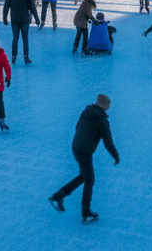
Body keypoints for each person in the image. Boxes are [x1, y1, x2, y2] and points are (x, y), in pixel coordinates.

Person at [49, 94, 119, 224]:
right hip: (85, 152)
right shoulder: (102, 120)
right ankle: (85, 212)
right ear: (106, 106)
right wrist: (116, 156)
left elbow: (77, 127)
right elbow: (108, 141)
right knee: (89, 179)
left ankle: (59, 195)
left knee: (84, 176)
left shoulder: (86, 110)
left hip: (76, 147)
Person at [2, 0, 40, 64]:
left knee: (15, 38)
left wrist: (5, 18)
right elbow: (32, 7)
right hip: (25, 19)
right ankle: (26, 57)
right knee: (25, 39)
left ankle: (13, 57)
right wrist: (37, 19)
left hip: (14, 19)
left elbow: (6, 7)